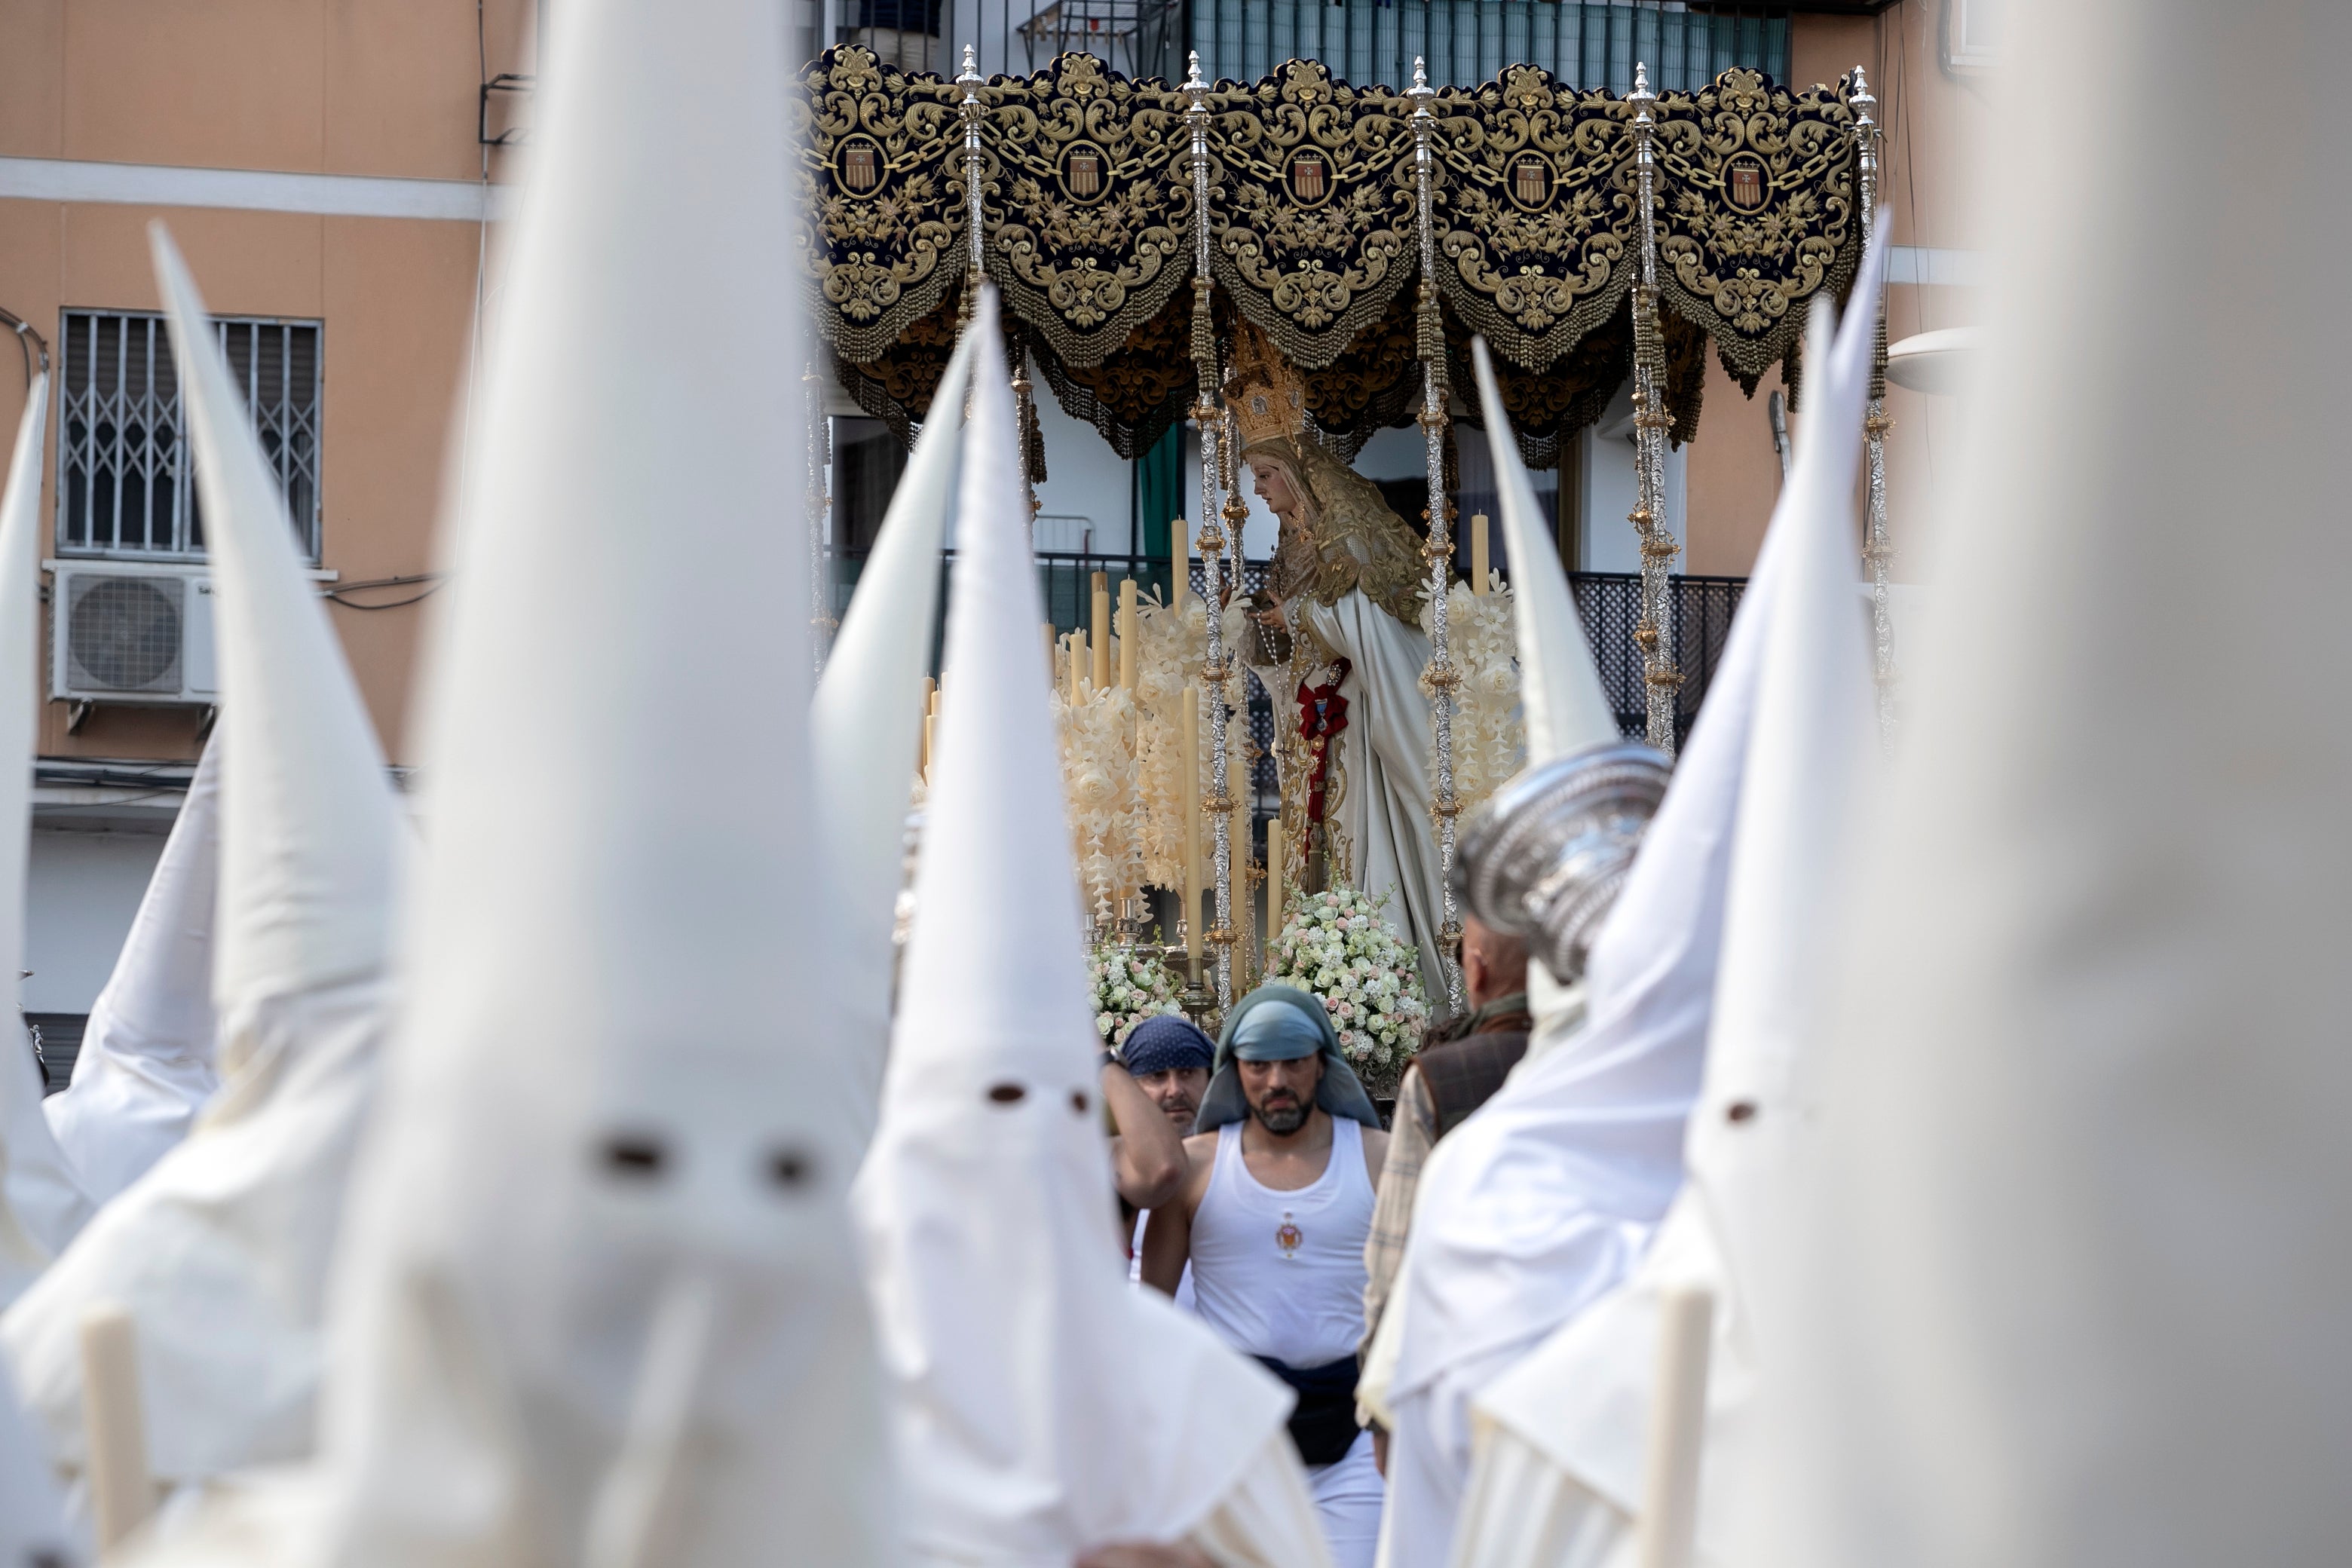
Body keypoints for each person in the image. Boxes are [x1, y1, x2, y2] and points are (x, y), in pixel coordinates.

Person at [1220, 323, 1448, 1004]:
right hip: (1308, 726)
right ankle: (1318, 980)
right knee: (1307, 846)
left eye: (1264, 475)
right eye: (1255, 478)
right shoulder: (1291, 549)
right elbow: (1286, 653)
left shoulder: (1348, 534)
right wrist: (1249, 626)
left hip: (1358, 726)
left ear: (1293, 471)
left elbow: (1372, 624)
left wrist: (1301, 617)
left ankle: (1371, 986)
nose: (1259, 492)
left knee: (1360, 840)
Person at [1143, 985, 1391, 1568]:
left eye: (1294, 1062)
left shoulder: (1382, 1159)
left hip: (1353, 1436)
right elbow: (1149, 1312)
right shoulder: (1197, 1168)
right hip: (1233, 1436)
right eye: (1258, 1065)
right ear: (1236, 1071)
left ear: (1321, 1065)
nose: (1277, 1080)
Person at [1359, 917, 1530, 1395]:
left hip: (1462, 1353)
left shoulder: (1442, 1078)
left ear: (1475, 970)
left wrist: (1377, 1399)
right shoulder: (1605, 1063)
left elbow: (1395, 1247)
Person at [1115, 1014, 1217, 1306]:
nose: (1174, 1090)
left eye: (1187, 1073)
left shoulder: (1237, 1158)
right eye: (1156, 1076)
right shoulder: (1112, 1169)